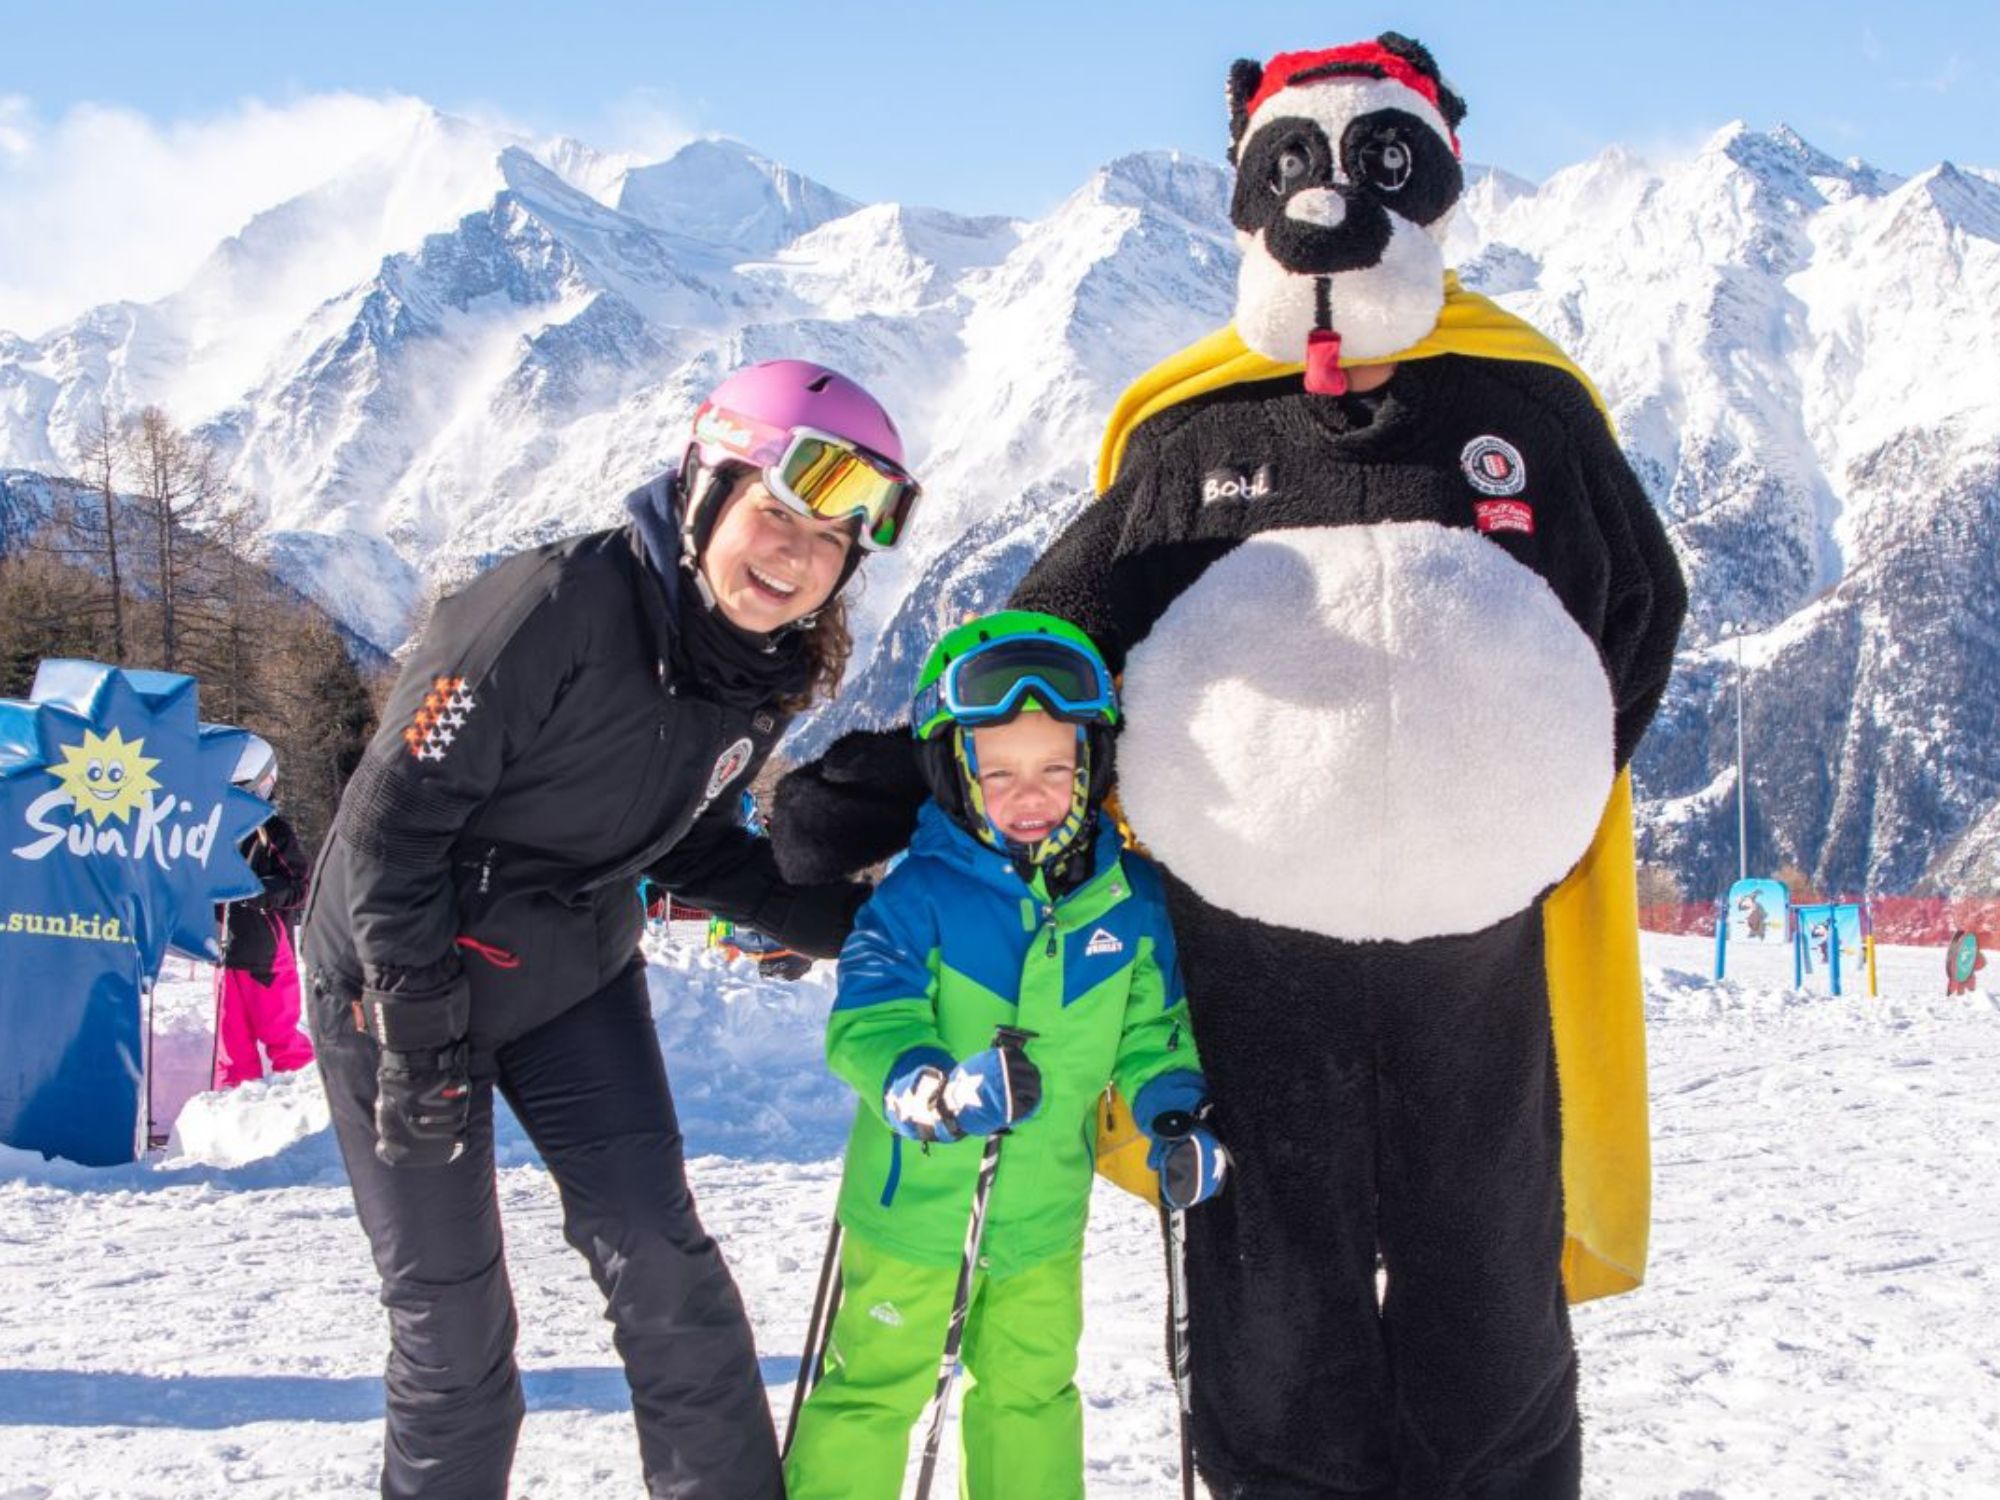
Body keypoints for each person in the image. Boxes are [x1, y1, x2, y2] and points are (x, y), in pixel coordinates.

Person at [300, 359, 922, 1499]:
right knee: (454, 1339)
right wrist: (419, 1033)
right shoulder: (550, 605)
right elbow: (391, 827)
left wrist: (850, 924)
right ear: (704, 491)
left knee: (667, 1277)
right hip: (394, 979)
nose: (795, 556)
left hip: (567, 965)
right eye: (775, 514)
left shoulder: (759, 664)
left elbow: (671, 831)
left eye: (831, 541)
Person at [784, 611, 1228, 1500]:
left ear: (1091, 767)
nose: (1031, 795)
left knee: (1031, 1394)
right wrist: (932, 1090)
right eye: (999, 773)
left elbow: (1153, 1032)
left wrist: (1172, 1109)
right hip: (912, 1210)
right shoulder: (920, 898)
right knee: (877, 1387)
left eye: (1055, 769)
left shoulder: (1128, 903)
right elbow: (867, 1019)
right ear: (956, 774)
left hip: (1040, 1221)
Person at [212, 734, 314, 1088]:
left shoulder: (274, 832)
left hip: (267, 957)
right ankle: (236, 1108)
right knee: (231, 1045)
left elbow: (300, 887)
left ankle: (305, 1100)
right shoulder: (213, 830)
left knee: (280, 1035)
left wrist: (259, 891)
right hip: (225, 956)